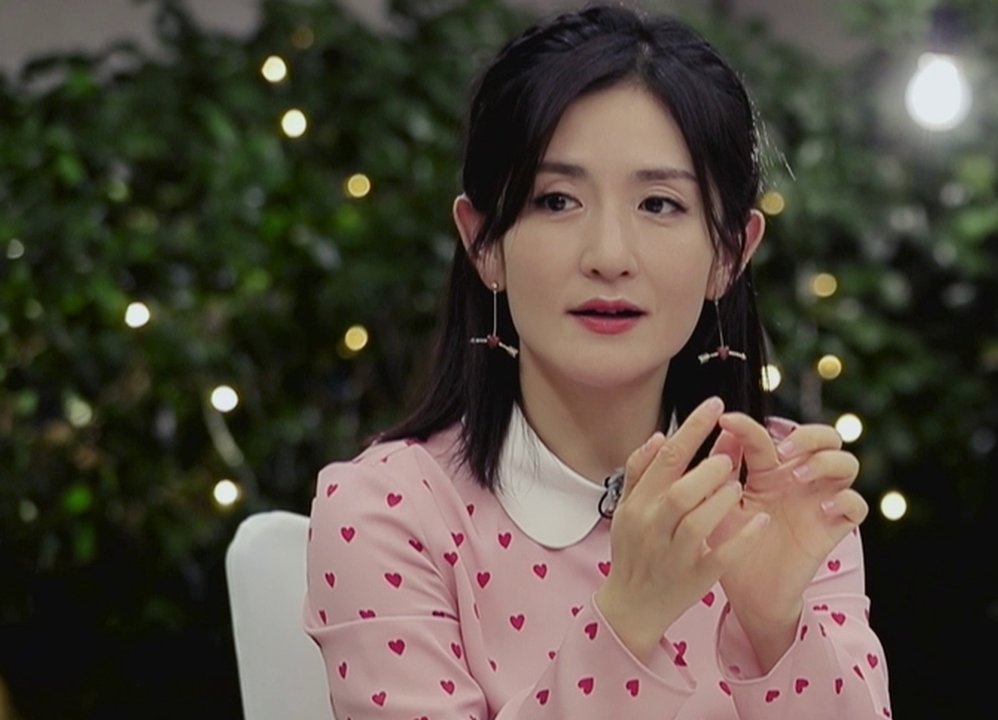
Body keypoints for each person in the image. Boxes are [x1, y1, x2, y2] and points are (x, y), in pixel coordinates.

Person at [303, 5, 891, 718]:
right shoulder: (387, 510)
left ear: (730, 253)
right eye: (556, 200)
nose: (609, 256)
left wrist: (774, 626)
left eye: (659, 204)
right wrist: (626, 623)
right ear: (483, 243)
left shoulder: (786, 490)